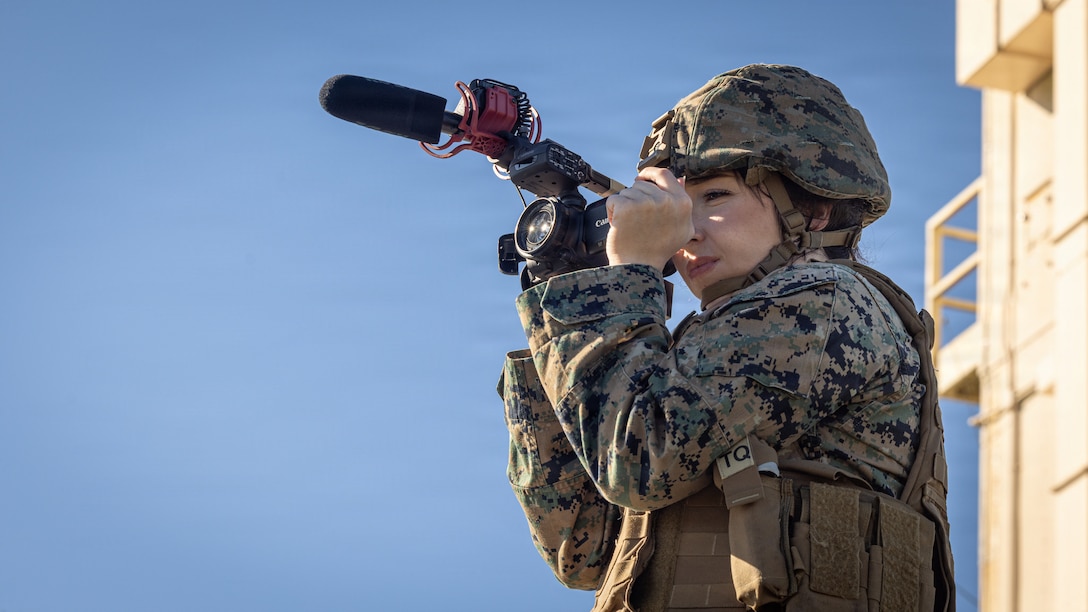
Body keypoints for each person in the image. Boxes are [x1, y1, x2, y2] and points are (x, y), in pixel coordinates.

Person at [499, 64, 955, 611]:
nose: (685, 232)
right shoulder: (689, 352)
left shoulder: (827, 302)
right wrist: (573, 302)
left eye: (714, 196)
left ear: (814, 208)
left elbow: (636, 463)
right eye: (679, 208)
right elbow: (583, 548)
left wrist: (624, 285)